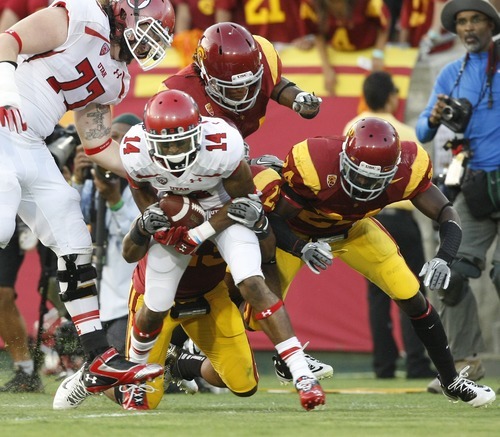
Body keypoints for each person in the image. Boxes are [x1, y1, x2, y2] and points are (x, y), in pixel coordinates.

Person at [250, 116, 494, 407]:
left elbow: (446, 212)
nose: (365, 184)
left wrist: (444, 257)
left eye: (376, 179)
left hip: (354, 230)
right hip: (301, 234)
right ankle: (285, 360)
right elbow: (271, 217)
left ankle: (451, 381)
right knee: (259, 313)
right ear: (343, 160)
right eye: (359, 174)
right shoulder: (313, 164)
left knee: (410, 294)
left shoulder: (408, 168)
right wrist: (300, 246)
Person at [0, 0, 176, 396]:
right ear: (123, 11)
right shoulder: (77, 15)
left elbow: (96, 145)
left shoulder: (116, 77)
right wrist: (5, 95)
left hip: (30, 142)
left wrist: (151, 169)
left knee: (72, 236)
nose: (149, 44)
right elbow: (6, 42)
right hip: (1, 123)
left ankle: (98, 358)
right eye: (148, 28)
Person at [118, 89, 325, 411]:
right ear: (149, 140)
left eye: (180, 141)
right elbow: (142, 193)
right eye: (165, 144)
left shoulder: (222, 144)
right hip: (174, 216)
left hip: (224, 212)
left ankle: (302, 376)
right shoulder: (134, 151)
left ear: (198, 133)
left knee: (252, 282)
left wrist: (200, 232)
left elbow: (244, 202)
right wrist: (157, 221)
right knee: (155, 303)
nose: (173, 150)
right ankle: (134, 380)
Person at [416, 0, 500, 394]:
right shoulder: (452, 72)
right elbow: (421, 133)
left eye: (476, 19)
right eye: (462, 21)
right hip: (474, 186)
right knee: (445, 272)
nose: (468, 28)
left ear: (491, 24)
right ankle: (465, 360)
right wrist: (432, 117)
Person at [343, 71, 435, 379]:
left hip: (367, 220)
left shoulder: (354, 127)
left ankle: (383, 365)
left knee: (377, 295)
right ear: (392, 97)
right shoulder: (407, 131)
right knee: (412, 292)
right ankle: (417, 364)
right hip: (402, 219)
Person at [162, 21, 322, 139]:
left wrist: (299, 98)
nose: (243, 91)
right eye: (233, 86)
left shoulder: (261, 56)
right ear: (206, 77)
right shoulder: (178, 94)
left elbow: (274, 84)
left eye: (250, 83)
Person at [71, 113, 142, 354]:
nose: (118, 145)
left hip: (128, 299)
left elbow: (141, 238)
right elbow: (71, 223)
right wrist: (78, 181)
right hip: (100, 293)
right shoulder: (96, 179)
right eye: (113, 138)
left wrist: (115, 201)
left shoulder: (146, 184)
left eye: (126, 139)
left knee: (118, 355)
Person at [311, 0, 391, 95]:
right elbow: (318, 34)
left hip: (368, 50)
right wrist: (326, 68)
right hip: (337, 53)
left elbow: (384, 21)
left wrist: (378, 53)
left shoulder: (366, 2)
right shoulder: (314, 4)